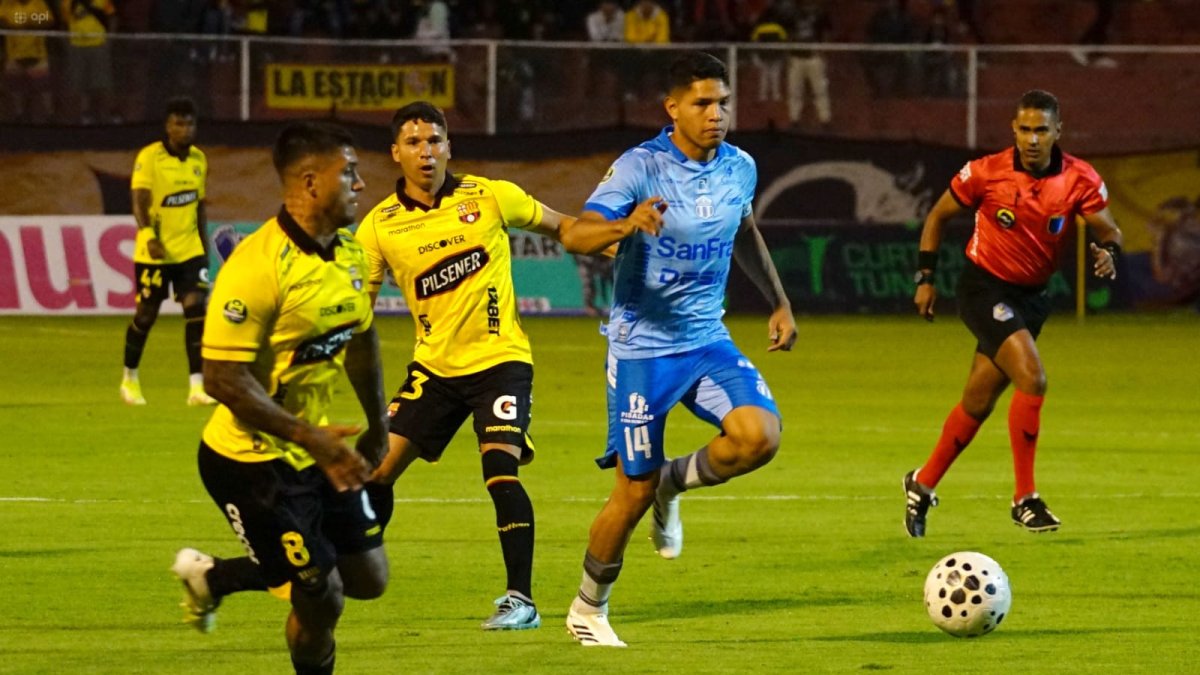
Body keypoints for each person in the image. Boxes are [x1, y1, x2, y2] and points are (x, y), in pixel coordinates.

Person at [559, 51, 797, 647]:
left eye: (723, 103)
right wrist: (625, 223)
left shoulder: (740, 166)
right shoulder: (640, 168)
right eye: (702, 103)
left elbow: (742, 229)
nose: (716, 114)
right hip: (642, 351)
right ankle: (588, 608)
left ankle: (674, 483)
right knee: (631, 491)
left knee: (758, 437)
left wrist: (779, 299)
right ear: (672, 108)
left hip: (706, 340)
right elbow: (575, 233)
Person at [354, 101, 588, 631]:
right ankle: (355, 564)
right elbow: (357, 310)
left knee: (500, 470)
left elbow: (564, 228)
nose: (425, 151)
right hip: (433, 369)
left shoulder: (490, 196)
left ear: (448, 147)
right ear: (396, 153)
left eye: (434, 140)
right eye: (413, 142)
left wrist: (619, 237)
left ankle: (520, 601)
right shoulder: (378, 227)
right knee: (376, 472)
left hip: (500, 361)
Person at [170, 121, 390, 675]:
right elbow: (221, 379)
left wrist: (377, 422)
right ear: (312, 182)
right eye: (351, 172)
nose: (362, 184)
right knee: (324, 596)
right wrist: (309, 437)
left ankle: (215, 577)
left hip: (316, 449)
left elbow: (361, 336)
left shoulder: (351, 255)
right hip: (251, 464)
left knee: (370, 580)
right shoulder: (256, 266)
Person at [904, 89, 1124, 538]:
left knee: (978, 401)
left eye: (1041, 129)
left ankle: (921, 483)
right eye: (1024, 129)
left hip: (1033, 298)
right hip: (983, 286)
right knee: (1033, 377)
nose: (1032, 139)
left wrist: (1108, 250)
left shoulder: (1079, 178)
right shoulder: (986, 172)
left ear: (1057, 132)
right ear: (1013, 130)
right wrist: (925, 278)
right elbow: (937, 217)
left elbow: (1108, 228)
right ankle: (1025, 498)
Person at [121, 97, 215, 406]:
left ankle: (196, 387)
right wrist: (148, 235)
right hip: (155, 253)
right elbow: (139, 199)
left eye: (189, 124)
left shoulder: (199, 160)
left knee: (196, 311)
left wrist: (204, 246)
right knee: (146, 315)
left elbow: (199, 206)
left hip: (189, 250)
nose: (184, 129)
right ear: (167, 126)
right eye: (178, 123)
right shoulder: (150, 158)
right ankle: (129, 379)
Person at [0, 0, 56, 123]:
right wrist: (12, 26)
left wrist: (32, 24)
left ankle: (49, 116)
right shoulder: (7, 3)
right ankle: (19, 115)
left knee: (43, 88)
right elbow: (2, 21)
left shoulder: (39, 3)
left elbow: (49, 21)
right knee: (15, 89)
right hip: (14, 54)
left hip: (37, 54)